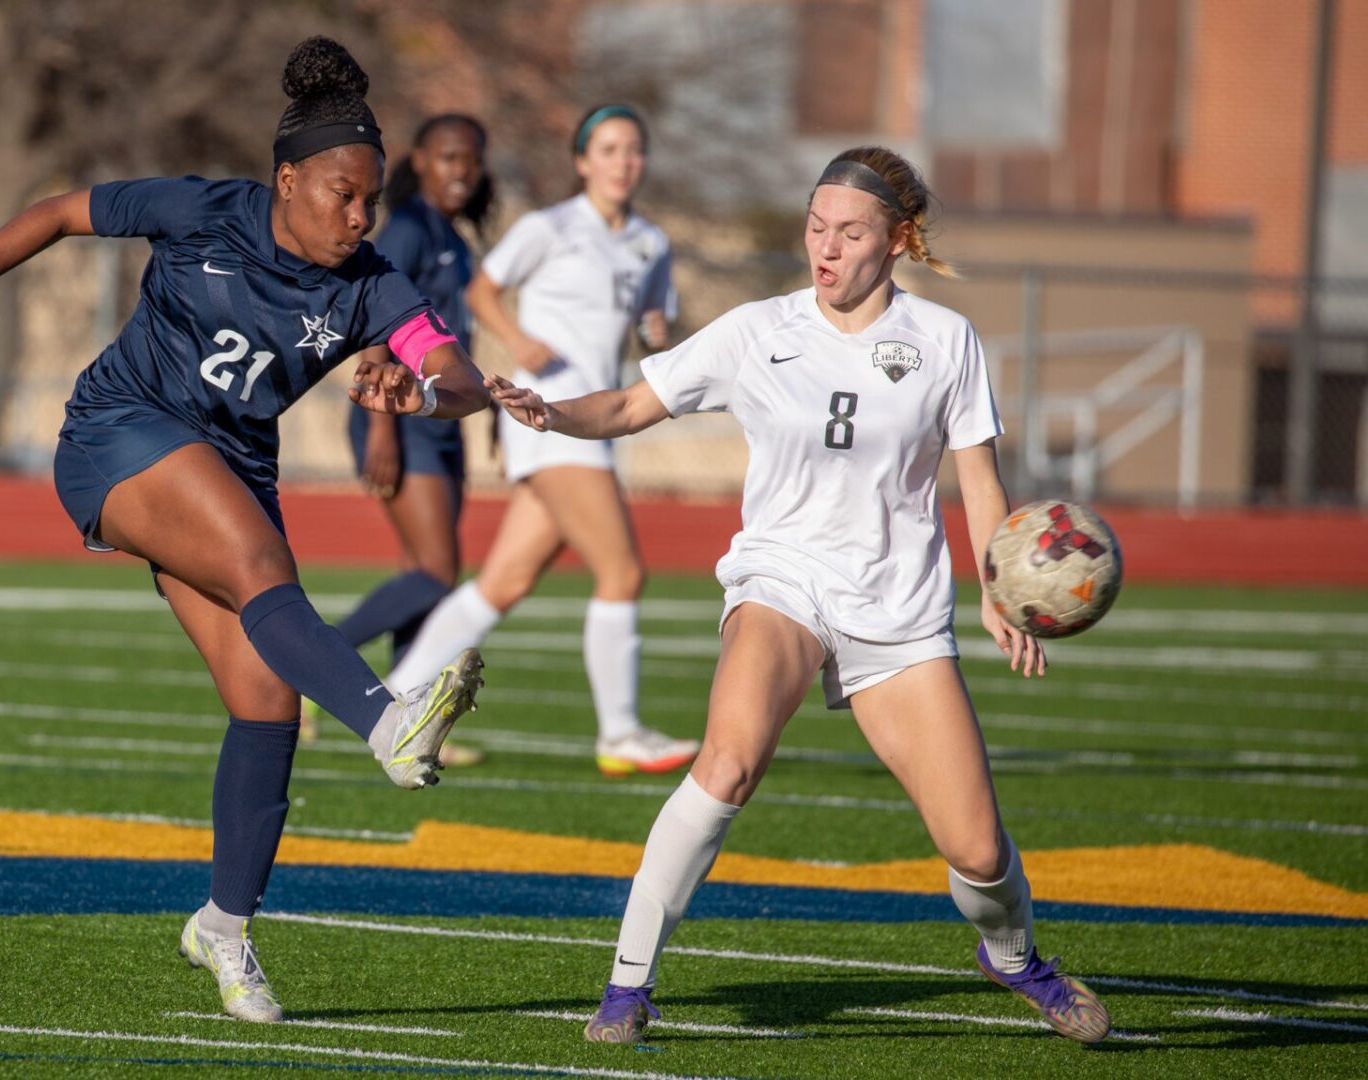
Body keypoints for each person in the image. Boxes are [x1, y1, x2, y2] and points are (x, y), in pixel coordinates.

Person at [0, 37, 489, 1025]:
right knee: (260, 566)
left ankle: (222, 924)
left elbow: (456, 370)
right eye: (341, 193)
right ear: (286, 180)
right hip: (117, 435)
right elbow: (59, 213)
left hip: (232, 471)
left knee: (268, 706)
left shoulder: (373, 282)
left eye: (372, 199)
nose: (359, 215)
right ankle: (389, 722)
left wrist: (424, 392)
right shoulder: (201, 208)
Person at [490, 146, 1114, 1046]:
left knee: (977, 850)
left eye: (850, 232)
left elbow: (978, 479)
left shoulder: (946, 341)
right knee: (728, 761)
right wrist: (551, 411)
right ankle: (628, 986)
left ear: (898, 239)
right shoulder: (757, 330)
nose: (825, 248)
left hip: (896, 610)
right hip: (781, 580)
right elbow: (630, 406)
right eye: (816, 227)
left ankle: (1012, 956)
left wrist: (996, 587)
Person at [387, 104, 699, 778]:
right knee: (623, 572)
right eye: (609, 150)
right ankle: (619, 733)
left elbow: (654, 326)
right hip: (545, 420)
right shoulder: (548, 227)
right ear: (582, 161)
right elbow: (481, 290)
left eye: (633, 151)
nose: (623, 162)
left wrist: (655, 332)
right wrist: (520, 340)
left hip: (594, 422)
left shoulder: (651, 241)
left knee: (503, 582)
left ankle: (392, 699)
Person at [301, 115, 493, 766]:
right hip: (400, 417)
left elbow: (449, 339)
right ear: (422, 160)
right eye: (448, 157)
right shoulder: (408, 226)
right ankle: (314, 668)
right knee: (437, 570)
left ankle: (408, 710)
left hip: (438, 417)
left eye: (470, 159)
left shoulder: (452, 235)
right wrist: (381, 423)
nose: (460, 170)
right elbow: (378, 323)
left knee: (432, 578)